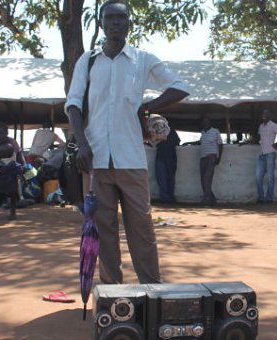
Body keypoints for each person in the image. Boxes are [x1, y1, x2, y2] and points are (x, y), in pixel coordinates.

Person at [64, 0, 189, 284]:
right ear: (101, 24)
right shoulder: (89, 60)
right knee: (103, 230)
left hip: (131, 159)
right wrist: (82, 145)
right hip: (95, 160)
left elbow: (180, 87)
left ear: (129, 24)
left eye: (122, 18)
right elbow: (73, 105)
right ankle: (112, 293)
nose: (116, 23)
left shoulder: (142, 59)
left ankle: (151, 289)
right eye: (110, 18)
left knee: (142, 229)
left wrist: (147, 107)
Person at [255, 109, 277, 203]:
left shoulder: (273, 125)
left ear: (270, 116)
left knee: (270, 177)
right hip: (261, 154)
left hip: (270, 154)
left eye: (266, 114)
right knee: (257, 177)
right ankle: (261, 197)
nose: (263, 115)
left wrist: (276, 144)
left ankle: (269, 198)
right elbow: (259, 138)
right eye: (263, 113)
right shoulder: (261, 126)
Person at [196, 117, 223, 206]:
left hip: (212, 158)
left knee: (207, 180)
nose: (204, 124)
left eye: (206, 123)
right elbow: (200, 142)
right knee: (203, 181)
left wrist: (219, 158)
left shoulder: (215, 131)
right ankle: (213, 200)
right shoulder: (203, 133)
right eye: (203, 123)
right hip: (203, 158)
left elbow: (220, 145)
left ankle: (206, 201)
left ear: (210, 123)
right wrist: (187, 143)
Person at [155, 126, 180, 203]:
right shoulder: (158, 131)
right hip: (164, 157)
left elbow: (177, 142)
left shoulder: (170, 131)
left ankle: (167, 197)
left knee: (167, 178)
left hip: (168, 157)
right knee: (164, 178)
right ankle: (166, 197)